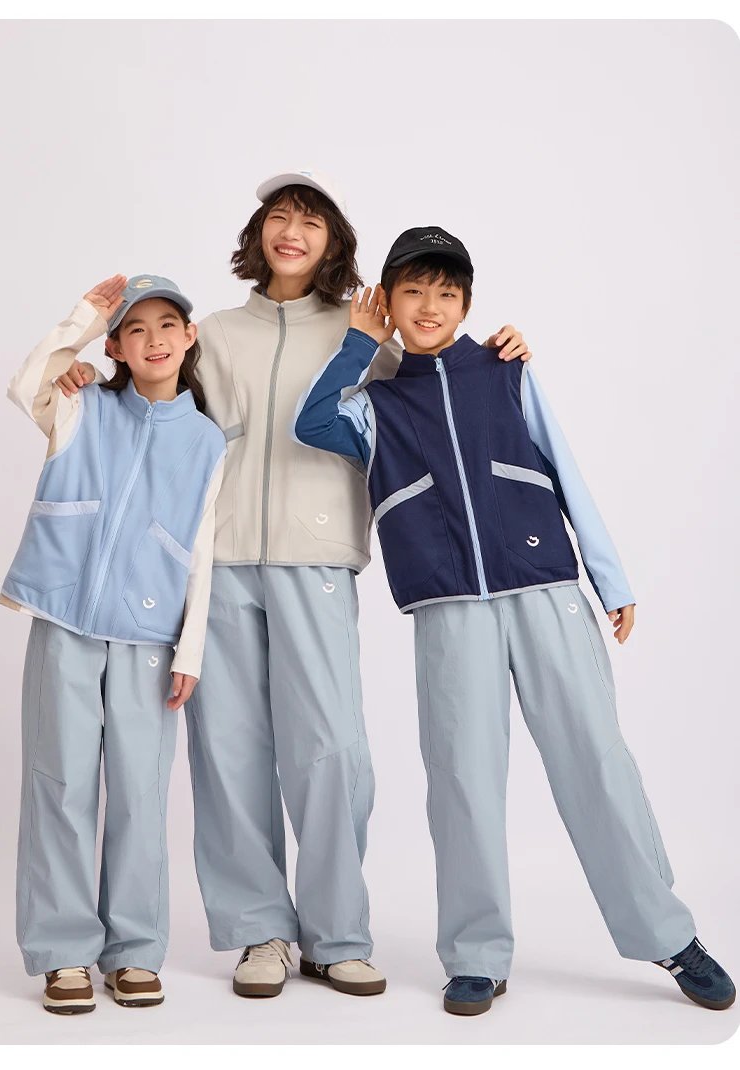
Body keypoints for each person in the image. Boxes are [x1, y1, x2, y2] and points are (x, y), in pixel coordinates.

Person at [55, 173, 530, 999]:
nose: (292, 231)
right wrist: (82, 381)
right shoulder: (214, 334)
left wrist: (503, 351)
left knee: (333, 752)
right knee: (229, 751)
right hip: (220, 559)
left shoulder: (367, 330)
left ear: (332, 241)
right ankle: (259, 933)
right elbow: (156, 403)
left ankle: (335, 934)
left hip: (319, 557)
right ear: (260, 233)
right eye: (280, 216)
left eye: (310, 221)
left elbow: (435, 380)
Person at [294, 227, 735, 1016]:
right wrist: (361, 343)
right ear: (387, 301)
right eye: (413, 292)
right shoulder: (377, 402)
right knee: (462, 778)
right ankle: (476, 956)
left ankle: (669, 936)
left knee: (596, 760)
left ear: (466, 303)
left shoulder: (505, 369)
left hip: (546, 591)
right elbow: (312, 423)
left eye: (446, 293)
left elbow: (565, 466)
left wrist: (609, 576)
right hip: (447, 606)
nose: (430, 307)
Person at [0, 275, 227, 1014]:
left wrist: (191, 649)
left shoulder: (207, 440)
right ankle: (63, 951)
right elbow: (23, 385)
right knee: (60, 783)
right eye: (135, 329)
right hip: (64, 619)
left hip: (151, 637)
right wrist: (81, 322)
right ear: (117, 347)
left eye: (167, 325)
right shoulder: (83, 405)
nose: (153, 339)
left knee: (139, 794)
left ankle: (133, 950)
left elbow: (203, 550)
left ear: (189, 337)